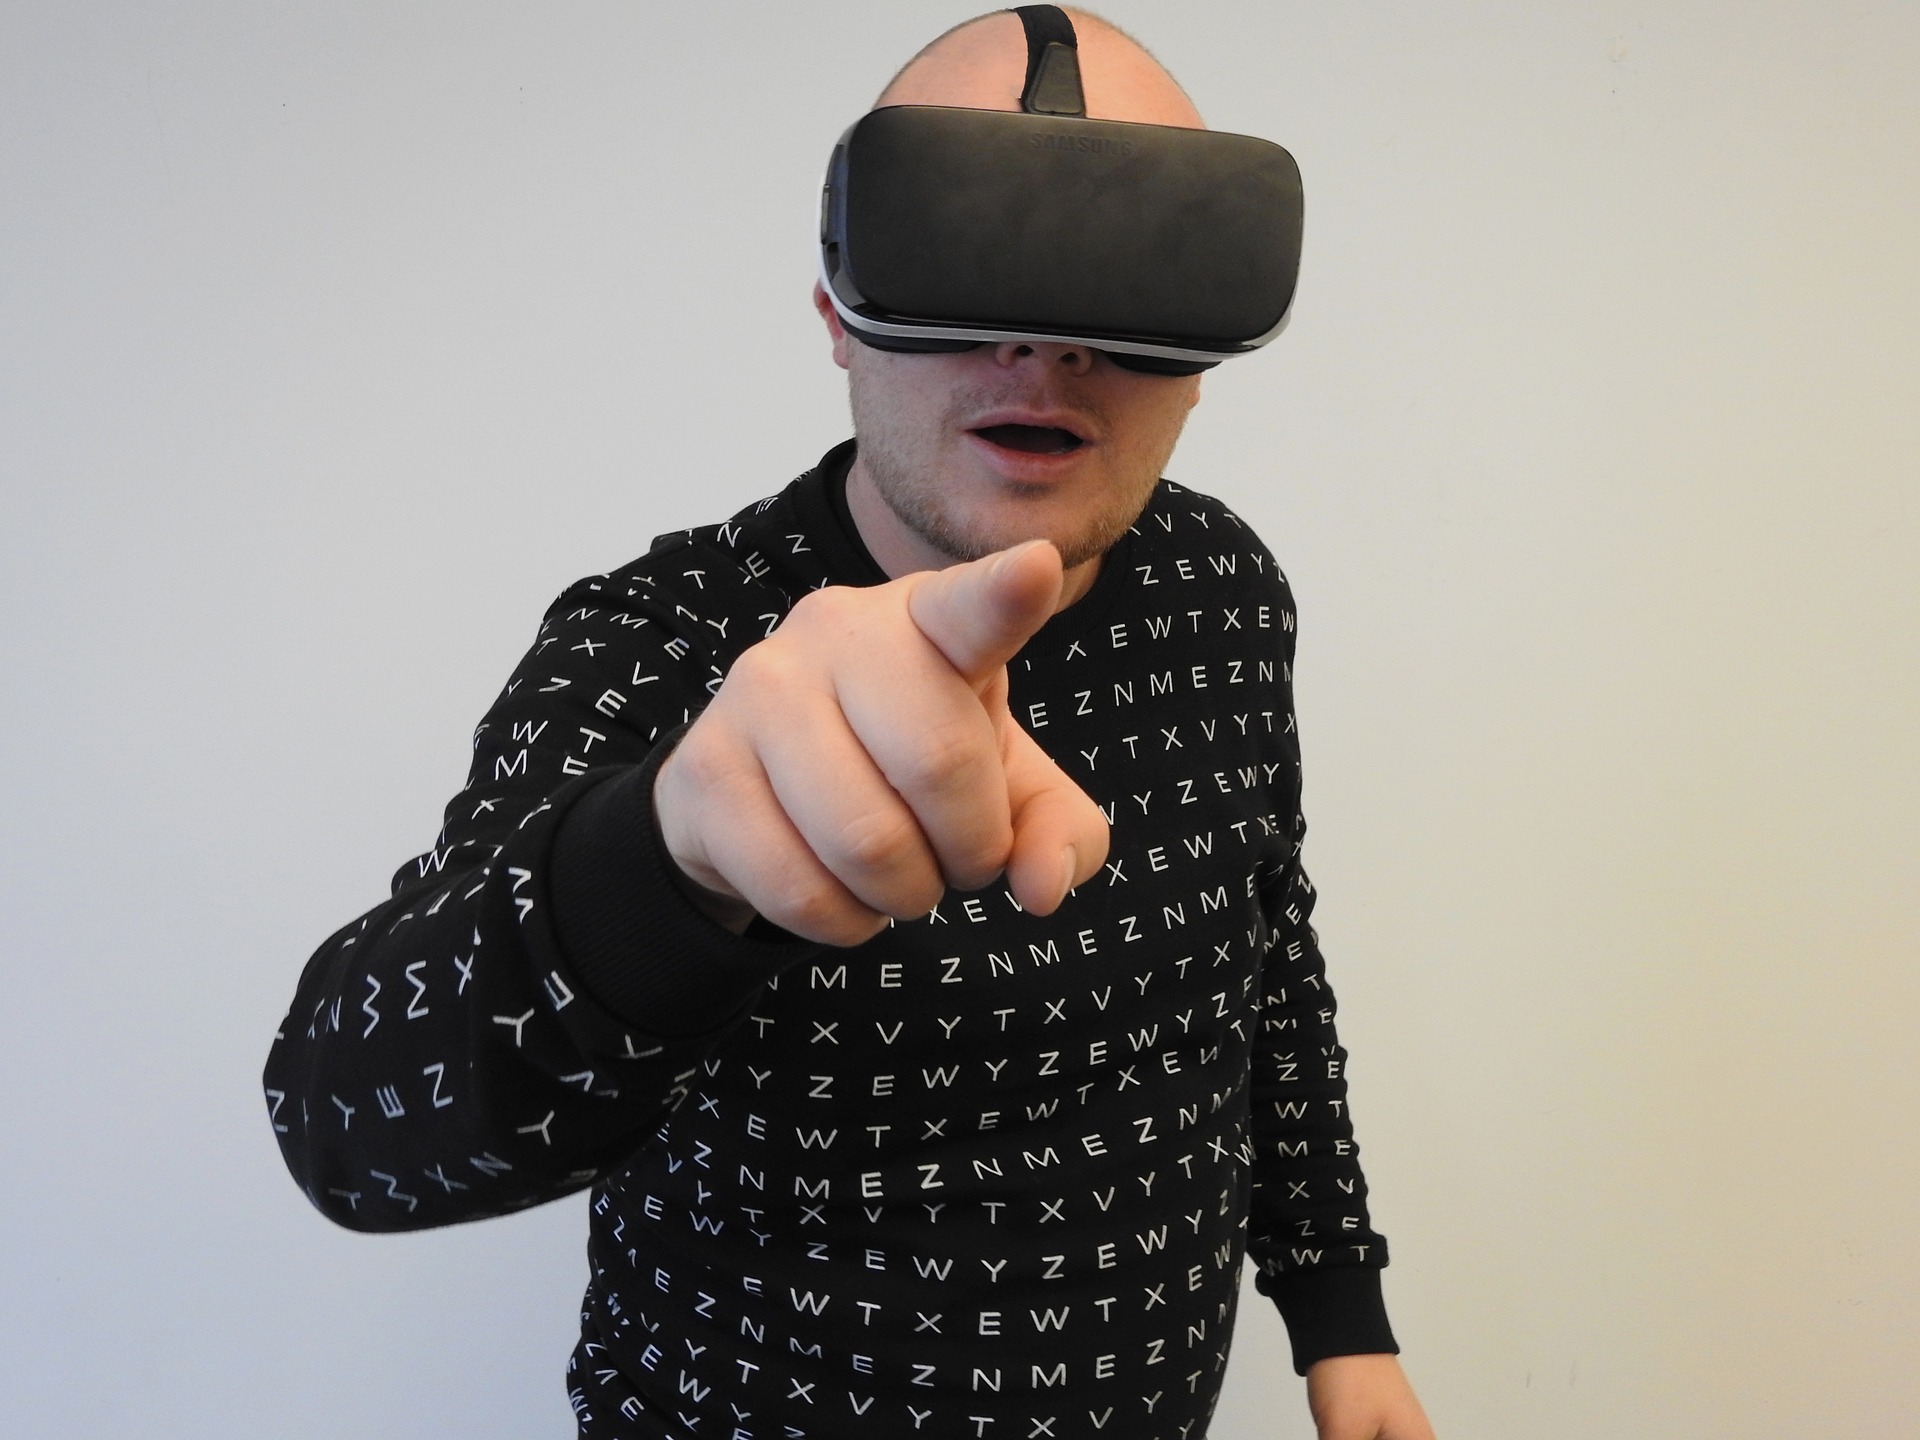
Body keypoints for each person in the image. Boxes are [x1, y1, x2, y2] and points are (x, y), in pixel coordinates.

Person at [263, 9, 1437, 1439]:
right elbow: (345, 1125)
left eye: (1134, 266)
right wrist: (668, 857)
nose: (1045, 344)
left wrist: (1341, 1319)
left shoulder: (1221, 587)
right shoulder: (664, 644)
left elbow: (1263, 954)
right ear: (837, 311)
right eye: (968, 249)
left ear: (1202, 351)